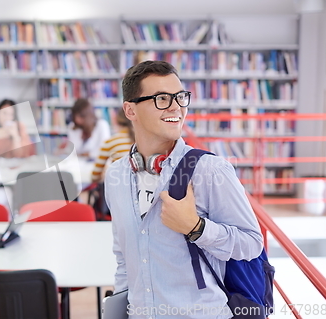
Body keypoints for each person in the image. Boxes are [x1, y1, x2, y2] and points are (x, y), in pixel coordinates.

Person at [105, 60, 263, 318]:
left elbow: (252, 244)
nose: (176, 107)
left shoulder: (211, 170)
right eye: (162, 98)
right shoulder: (115, 176)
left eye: (180, 97)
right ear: (130, 110)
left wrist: (196, 227)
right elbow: (124, 257)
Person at [91, 107, 134, 182]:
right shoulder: (142, 140)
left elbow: (95, 176)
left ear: (116, 120)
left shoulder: (111, 142)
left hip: (120, 186)